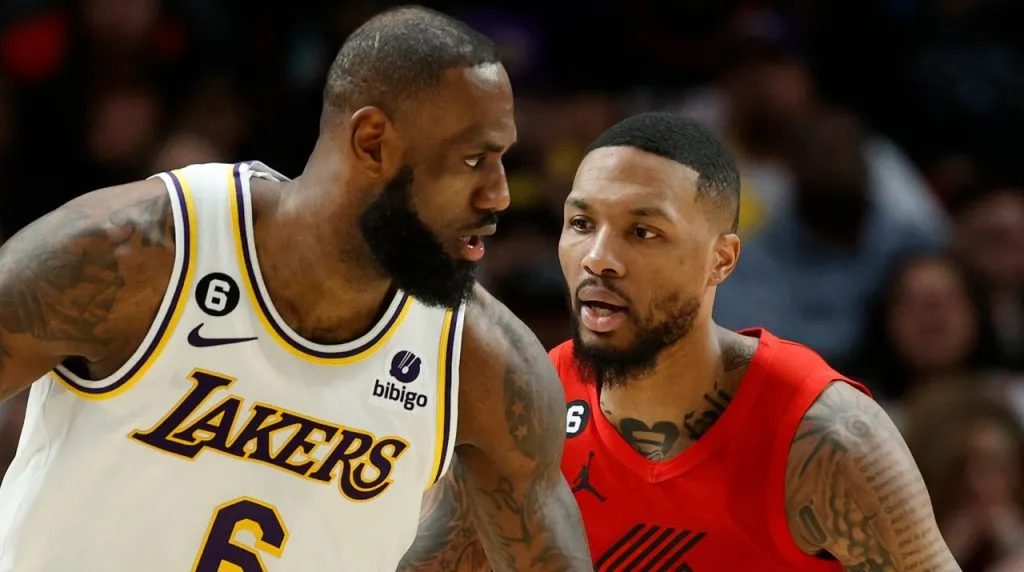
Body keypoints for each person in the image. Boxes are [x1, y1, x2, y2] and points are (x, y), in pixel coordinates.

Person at [0, 7, 591, 571]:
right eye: (473, 161)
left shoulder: (483, 365)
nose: (500, 195)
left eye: (503, 161)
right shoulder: (133, 253)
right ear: (373, 143)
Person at [398, 112, 959, 571]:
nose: (598, 258)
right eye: (581, 223)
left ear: (722, 260)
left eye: (643, 232)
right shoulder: (520, 410)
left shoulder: (827, 439)